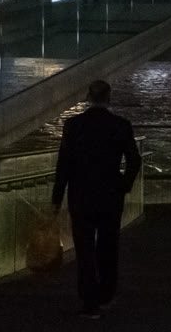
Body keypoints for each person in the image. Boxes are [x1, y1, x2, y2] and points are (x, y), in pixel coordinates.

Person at [51, 80, 141, 318]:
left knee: (84, 249)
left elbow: (64, 165)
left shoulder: (73, 125)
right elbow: (134, 160)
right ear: (109, 98)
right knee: (108, 245)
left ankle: (89, 301)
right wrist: (123, 186)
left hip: (81, 194)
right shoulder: (121, 125)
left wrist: (56, 200)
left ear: (88, 98)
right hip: (110, 194)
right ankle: (106, 294)